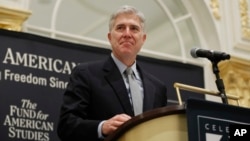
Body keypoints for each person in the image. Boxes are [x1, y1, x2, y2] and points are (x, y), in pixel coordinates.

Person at [57, 5, 167, 141]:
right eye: (120, 28)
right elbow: (66, 126)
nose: (127, 34)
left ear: (143, 39)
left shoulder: (157, 88)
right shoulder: (86, 74)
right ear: (110, 37)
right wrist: (102, 127)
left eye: (134, 28)